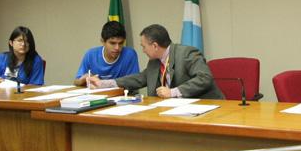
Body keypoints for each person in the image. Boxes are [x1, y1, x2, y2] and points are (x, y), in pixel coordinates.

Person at [85, 23, 222, 99]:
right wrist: (103, 83)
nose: (143, 50)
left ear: (155, 46)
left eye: (144, 46)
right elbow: (138, 79)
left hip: (208, 107)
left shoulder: (187, 53)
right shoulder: (155, 62)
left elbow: (205, 78)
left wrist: (173, 92)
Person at [72, 21, 140, 86]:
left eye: (121, 43)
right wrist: (84, 78)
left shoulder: (129, 54)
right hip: (97, 93)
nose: (117, 48)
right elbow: (76, 81)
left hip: (122, 93)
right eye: (112, 43)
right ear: (103, 41)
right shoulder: (91, 55)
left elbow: (134, 83)